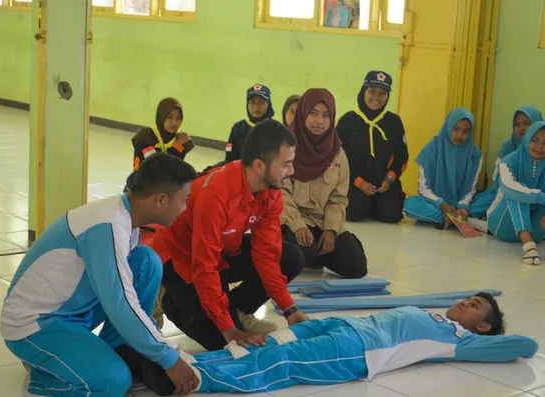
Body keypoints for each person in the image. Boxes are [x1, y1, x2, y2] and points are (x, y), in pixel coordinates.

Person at [0, 153, 200, 397]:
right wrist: (169, 359)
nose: (184, 208)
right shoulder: (108, 225)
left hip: (73, 311)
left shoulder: (125, 216)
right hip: (36, 325)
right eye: (184, 200)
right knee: (113, 381)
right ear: (161, 200)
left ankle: (117, 349)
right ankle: (46, 372)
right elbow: (122, 306)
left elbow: (122, 294)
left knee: (146, 261)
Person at [152, 119, 308, 354]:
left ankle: (238, 310)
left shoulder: (271, 192)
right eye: (286, 164)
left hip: (221, 251)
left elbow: (267, 254)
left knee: (292, 257)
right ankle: (167, 297)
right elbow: (204, 265)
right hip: (183, 260)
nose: (292, 171)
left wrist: (289, 308)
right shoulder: (214, 195)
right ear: (259, 166)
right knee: (222, 342)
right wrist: (228, 328)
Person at [183, 292, 538, 393]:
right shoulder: (439, 317)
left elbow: (525, 346)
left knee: (285, 359)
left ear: (484, 325)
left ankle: (198, 380)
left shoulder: (461, 340)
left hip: (356, 351)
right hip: (345, 325)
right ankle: (199, 361)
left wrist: (489, 337)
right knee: (274, 339)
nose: (466, 302)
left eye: (476, 306)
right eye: (469, 298)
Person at [281, 88, 367, 278]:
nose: (319, 121)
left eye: (325, 115)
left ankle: (323, 251)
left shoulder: (337, 154)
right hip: (291, 220)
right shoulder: (285, 148)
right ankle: (290, 246)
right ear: (302, 113)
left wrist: (331, 229)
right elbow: (280, 194)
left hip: (322, 221)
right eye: (313, 113)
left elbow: (338, 197)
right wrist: (296, 225)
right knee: (304, 251)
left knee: (356, 267)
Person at [337, 71, 409, 223]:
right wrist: (358, 182)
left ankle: (376, 204)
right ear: (364, 91)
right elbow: (339, 158)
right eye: (372, 91)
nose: (377, 97)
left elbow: (402, 156)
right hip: (353, 182)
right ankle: (367, 204)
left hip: (384, 183)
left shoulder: (394, 122)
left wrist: (390, 179)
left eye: (382, 93)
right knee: (354, 213)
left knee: (391, 216)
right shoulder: (347, 121)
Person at [404, 108, 483, 229]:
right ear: (448, 126)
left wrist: (463, 206)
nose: (460, 135)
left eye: (466, 131)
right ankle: (446, 218)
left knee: (491, 197)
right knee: (410, 204)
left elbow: (470, 189)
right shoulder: (432, 149)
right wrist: (441, 205)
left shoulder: (475, 154)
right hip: (436, 204)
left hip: (460, 205)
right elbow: (423, 188)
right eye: (456, 129)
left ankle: (458, 216)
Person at [487, 121, 545, 265]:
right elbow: (510, 189)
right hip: (503, 226)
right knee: (517, 191)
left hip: (537, 232)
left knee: (522, 192)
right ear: (526, 140)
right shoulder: (508, 161)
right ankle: (528, 246)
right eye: (534, 140)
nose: (539, 147)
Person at [470, 106, 543, 218]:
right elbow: (496, 179)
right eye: (517, 124)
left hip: (539, 198)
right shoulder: (508, 148)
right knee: (474, 209)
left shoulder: (541, 149)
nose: (521, 128)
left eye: (526, 123)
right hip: (506, 193)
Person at [132, 98, 194, 171]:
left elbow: (175, 168)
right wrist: (177, 145)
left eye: (178, 118)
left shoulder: (181, 138)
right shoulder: (146, 137)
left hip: (167, 181)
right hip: (143, 181)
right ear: (161, 117)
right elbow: (157, 167)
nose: (174, 122)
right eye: (169, 117)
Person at [225, 84, 275, 163]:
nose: (256, 107)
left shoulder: (276, 129)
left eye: (262, 102)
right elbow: (230, 156)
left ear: (268, 104)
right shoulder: (238, 128)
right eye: (252, 102)